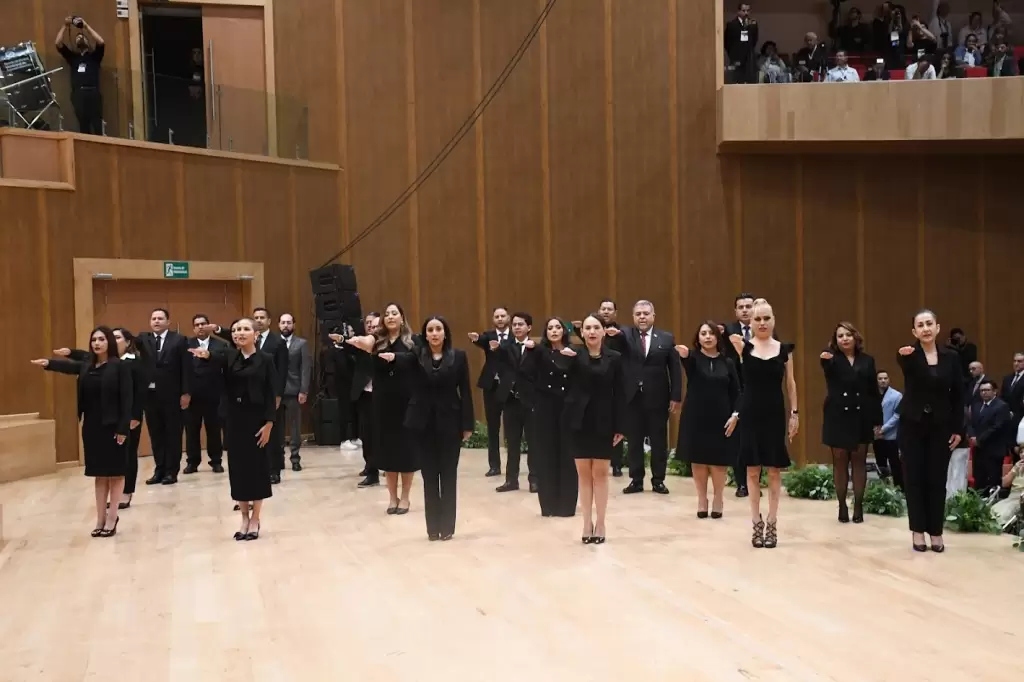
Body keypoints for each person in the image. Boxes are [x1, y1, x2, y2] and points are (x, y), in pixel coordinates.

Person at [32, 327, 132, 537]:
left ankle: (112, 518)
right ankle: (100, 519)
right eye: (94, 339)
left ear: (109, 343)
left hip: (114, 427)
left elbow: (127, 400)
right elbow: (70, 368)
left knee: (115, 473)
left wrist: (123, 428)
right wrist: (49, 363)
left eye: (102, 339)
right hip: (92, 426)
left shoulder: (120, 367)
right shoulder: (88, 366)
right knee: (99, 474)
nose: (97, 343)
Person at [189, 319, 276, 541]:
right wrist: (205, 355)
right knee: (238, 469)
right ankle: (244, 517)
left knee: (257, 469)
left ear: (256, 334)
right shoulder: (229, 356)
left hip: (257, 421)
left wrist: (269, 423)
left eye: (245, 329)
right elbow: (214, 358)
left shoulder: (266, 360)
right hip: (234, 420)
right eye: (236, 330)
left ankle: (256, 518)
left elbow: (271, 393)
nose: (239, 333)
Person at [729, 299, 798, 549]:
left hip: (774, 413)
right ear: (750, 322)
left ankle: (773, 521)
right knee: (751, 469)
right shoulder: (742, 347)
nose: (761, 323)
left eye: (766, 318)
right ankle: (756, 521)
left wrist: (795, 413)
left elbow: (790, 384)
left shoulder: (784, 350)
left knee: (773, 469)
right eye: (757, 319)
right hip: (750, 412)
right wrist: (736, 414)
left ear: (773, 320)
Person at [56, 327, 146, 509]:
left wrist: (135, 414)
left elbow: (137, 392)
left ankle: (126, 492)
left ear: (127, 342)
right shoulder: (99, 362)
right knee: (106, 462)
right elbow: (81, 360)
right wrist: (67, 354)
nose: (112, 340)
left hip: (129, 416)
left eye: (118, 337)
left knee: (127, 456)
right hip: (105, 418)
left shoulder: (133, 362)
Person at [897, 309, 964, 553]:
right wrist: (905, 356)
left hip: (941, 426)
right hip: (912, 425)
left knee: (937, 479)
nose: (925, 328)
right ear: (914, 331)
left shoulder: (952, 357)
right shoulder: (909, 355)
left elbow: (958, 395)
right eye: (920, 325)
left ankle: (935, 531)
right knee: (914, 479)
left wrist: (958, 428)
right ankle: (917, 531)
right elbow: (906, 368)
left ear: (937, 327)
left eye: (929, 324)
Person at [404, 316, 474, 541]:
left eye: (438, 329)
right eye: (430, 330)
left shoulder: (459, 357)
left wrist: (467, 424)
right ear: (425, 334)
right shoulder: (416, 357)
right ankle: (432, 528)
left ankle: (448, 527)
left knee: (449, 475)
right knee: (429, 476)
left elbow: (466, 392)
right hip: (423, 423)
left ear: (445, 333)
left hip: (450, 423)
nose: (434, 333)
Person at [346, 303, 419, 514]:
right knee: (387, 451)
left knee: (406, 451)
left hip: (406, 401)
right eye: (387, 314)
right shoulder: (377, 341)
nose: (390, 316)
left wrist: (396, 358)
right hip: (383, 402)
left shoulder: (412, 341)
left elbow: (416, 361)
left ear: (402, 318)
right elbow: (365, 341)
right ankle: (392, 497)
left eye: (394, 313)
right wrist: (355, 341)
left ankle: (405, 497)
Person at [560, 314, 626, 544]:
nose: (591, 332)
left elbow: (620, 393)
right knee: (583, 475)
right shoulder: (574, 356)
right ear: (582, 332)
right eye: (587, 327)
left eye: (596, 327)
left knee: (600, 474)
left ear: (603, 331)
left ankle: (601, 522)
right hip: (579, 421)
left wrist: (621, 426)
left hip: (604, 421)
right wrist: (565, 361)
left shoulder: (615, 358)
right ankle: (586, 522)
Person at [606, 300, 681, 495]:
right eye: (638, 313)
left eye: (646, 313)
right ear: (633, 317)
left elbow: (674, 368)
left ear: (653, 316)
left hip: (657, 397)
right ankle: (636, 480)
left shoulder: (666, 338)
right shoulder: (626, 334)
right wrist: (614, 334)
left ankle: (658, 480)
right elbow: (615, 341)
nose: (642, 317)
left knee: (658, 441)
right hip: (631, 398)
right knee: (635, 441)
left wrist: (676, 396)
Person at [675, 322, 741, 519]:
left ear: (717, 337)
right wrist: (684, 355)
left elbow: (736, 391)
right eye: (703, 333)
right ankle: (702, 499)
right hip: (696, 416)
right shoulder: (693, 359)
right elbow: (686, 363)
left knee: (719, 461)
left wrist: (736, 414)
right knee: (699, 460)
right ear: (698, 337)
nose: (707, 337)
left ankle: (718, 498)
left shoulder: (727, 362)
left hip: (721, 417)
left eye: (711, 333)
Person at [819, 322, 882, 524]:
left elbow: (873, 392)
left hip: (861, 415)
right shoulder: (832, 359)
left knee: (858, 461)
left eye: (848, 335)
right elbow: (826, 367)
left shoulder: (867, 361)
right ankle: (841, 505)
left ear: (855, 337)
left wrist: (877, 421)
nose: (844, 338)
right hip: (837, 416)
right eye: (840, 336)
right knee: (839, 463)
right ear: (835, 340)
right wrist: (826, 359)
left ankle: (859, 504)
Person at [137, 308, 190, 485]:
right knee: (156, 434)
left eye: (160, 318)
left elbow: (186, 367)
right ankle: (159, 469)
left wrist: (186, 393)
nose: (156, 321)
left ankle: (171, 471)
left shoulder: (179, 340)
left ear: (168, 321)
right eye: (154, 318)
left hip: (173, 395)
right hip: (150, 396)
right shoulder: (144, 339)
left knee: (173, 434)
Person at [530, 318, 577, 517]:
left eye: (558, 327)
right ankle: (548, 505)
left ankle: (566, 506)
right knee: (546, 455)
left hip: (567, 408)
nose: (554, 331)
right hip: (545, 408)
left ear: (564, 331)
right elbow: (525, 375)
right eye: (550, 328)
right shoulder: (539, 352)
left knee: (567, 456)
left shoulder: (574, 353)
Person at [330, 312, 380, 486]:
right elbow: (349, 346)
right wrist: (342, 340)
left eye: (374, 325)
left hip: (382, 394)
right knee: (366, 432)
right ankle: (371, 467)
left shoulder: (385, 344)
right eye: (368, 324)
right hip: (364, 394)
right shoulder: (361, 343)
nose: (371, 327)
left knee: (379, 434)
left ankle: (381, 467)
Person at [491, 312, 537, 493]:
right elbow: (499, 367)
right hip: (511, 400)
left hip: (530, 401)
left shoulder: (535, 348)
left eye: (521, 324)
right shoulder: (505, 347)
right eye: (515, 324)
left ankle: (535, 479)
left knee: (533, 442)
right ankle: (511, 480)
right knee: (512, 442)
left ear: (529, 327)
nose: (517, 327)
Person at [468, 306, 512, 477]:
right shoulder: (489, 335)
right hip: (491, 386)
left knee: (511, 427)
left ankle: (512, 466)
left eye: (503, 316)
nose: (500, 319)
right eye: (497, 316)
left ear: (508, 318)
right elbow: (481, 340)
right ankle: (494, 465)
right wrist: (476, 338)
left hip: (509, 386)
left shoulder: (515, 336)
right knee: (493, 426)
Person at [184, 314, 226, 474]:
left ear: (209, 326)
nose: (200, 327)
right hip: (192, 394)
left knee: (214, 429)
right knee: (192, 430)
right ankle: (192, 462)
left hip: (214, 393)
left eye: (203, 324)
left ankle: (216, 460)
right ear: (193, 328)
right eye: (197, 324)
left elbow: (224, 362)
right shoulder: (186, 344)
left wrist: (208, 356)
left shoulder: (220, 345)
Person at [725, 293, 755, 498]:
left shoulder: (765, 330)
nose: (744, 310)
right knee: (738, 438)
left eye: (748, 306)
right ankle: (741, 483)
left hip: (757, 388)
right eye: (741, 307)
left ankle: (754, 482)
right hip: (735, 388)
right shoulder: (728, 331)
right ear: (735, 311)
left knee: (755, 437)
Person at [54, 16, 105, 135]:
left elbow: (101, 42)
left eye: (82, 37)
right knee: (83, 124)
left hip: (93, 92)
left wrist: (86, 26)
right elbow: (58, 43)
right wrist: (65, 26)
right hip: (78, 94)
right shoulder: (73, 58)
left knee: (97, 123)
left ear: (87, 42)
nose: (79, 39)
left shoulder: (94, 56)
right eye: (77, 38)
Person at [278, 313, 311, 471]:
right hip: (275, 392)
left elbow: (305, 368)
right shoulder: (274, 342)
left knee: (295, 427)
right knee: (276, 427)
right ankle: (278, 458)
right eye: (283, 322)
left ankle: (295, 458)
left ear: (294, 325)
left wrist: (303, 390)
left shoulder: (301, 343)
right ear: (278, 325)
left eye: (289, 322)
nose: (286, 325)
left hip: (294, 390)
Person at [968, 379, 1010, 493]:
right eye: (981, 390)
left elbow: (997, 427)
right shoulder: (976, 405)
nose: (984, 393)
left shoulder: (1001, 406)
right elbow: (971, 423)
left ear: (994, 391)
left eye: (987, 390)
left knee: (992, 479)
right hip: (979, 449)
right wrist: (972, 437)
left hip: (993, 449)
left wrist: (979, 439)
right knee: (979, 478)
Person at [874, 369, 903, 489]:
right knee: (880, 463)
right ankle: (883, 488)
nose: (883, 381)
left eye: (885, 378)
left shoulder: (896, 395)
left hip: (891, 435)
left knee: (895, 463)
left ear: (889, 380)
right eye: (880, 379)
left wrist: (884, 428)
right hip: (876, 435)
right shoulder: (872, 395)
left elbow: (897, 415)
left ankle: (899, 488)